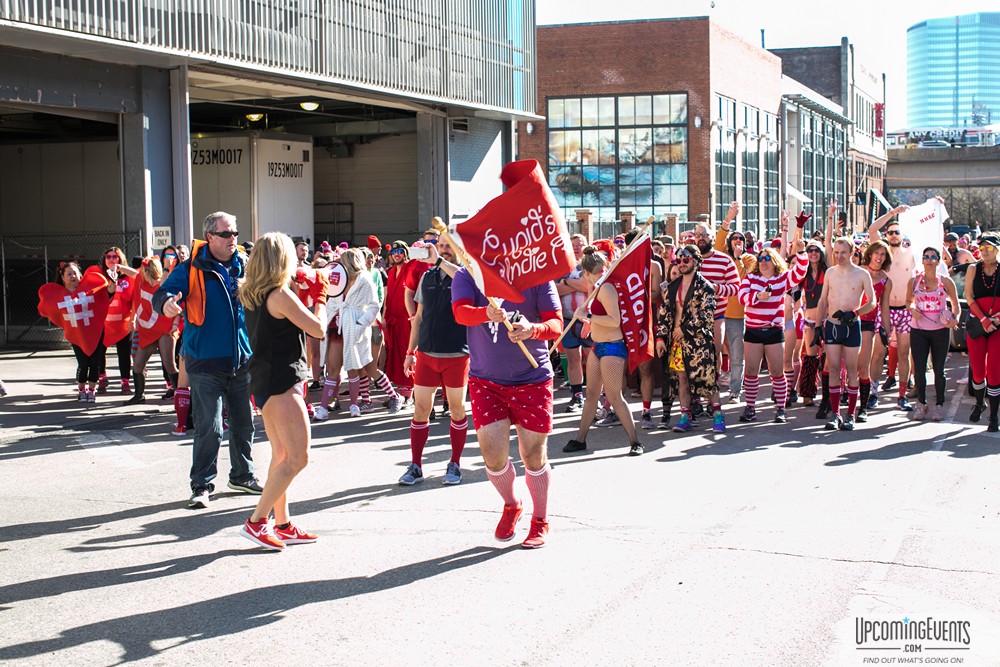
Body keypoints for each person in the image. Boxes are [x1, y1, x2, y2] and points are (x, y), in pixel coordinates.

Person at [451, 264, 562, 549]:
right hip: (485, 381)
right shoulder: (468, 274)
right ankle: (512, 504)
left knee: (533, 455)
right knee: (493, 457)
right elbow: (460, 312)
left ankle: (540, 520)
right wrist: (484, 313)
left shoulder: (537, 274)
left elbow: (556, 324)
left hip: (533, 379)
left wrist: (532, 329)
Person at [154, 212, 260, 509]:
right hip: (205, 362)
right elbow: (163, 293)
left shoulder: (244, 263)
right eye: (226, 234)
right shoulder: (190, 269)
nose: (233, 238)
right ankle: (201, 484)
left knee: (244, 424)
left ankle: (243, 475)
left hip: (240, 360)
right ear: (210, 237)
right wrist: (166, 305)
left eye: (235, 233)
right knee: (210, 428)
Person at [238, 232, 326, 550]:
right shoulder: (279, 294)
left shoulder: (252, 292)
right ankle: (257, 521)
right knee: (298, 458)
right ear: (282, 259)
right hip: (280, 383)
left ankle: (283, 524)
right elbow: (317, 328)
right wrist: (321, 299)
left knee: (282, 455)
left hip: (265, 382)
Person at [398, 238, 469, 484]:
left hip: (457, 355)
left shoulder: (465, 275)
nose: (445, 250)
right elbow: (418, 318)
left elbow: (462, 275)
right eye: (442, 246)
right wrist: (410, 352)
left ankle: (455, 464)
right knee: (420, 410)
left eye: (450, 246)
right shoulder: (427, 277)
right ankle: (416, 465)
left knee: (457, 410)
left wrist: (438, 260)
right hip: (427, 355)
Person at [563, 246, 643, 456]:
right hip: (598, 346)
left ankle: (635, 442)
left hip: (612, 347)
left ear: (586, 273)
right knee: (591, 395)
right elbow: (602, 316)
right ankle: (580, 439)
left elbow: (615, 320)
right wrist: (590, 322)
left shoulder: (605, 288)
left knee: (615, 397)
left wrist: (587, 318)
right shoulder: (597, 288)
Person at [655, 244, 725, 433]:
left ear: (695, 261)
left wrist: (685, 329)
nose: (682, 263)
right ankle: (685, 416)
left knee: (707, 380)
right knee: (682, 379)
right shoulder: (671, 287)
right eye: (679, 260)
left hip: (699, 342)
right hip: (677, 342)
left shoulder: (706, 287)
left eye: (686, 259)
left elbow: (707, 315)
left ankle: (718, 417)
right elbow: (664, 314)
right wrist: (661, 337)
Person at [736, 238, 808, 423]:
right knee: (751, 371)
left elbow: (800, 273)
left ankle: (781, 409)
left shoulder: (782, 278)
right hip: (753, 330)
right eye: (760, 258)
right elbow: (741, 298)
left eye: (767, 257)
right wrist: (757, 296)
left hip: (774, 330)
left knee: (777, 372)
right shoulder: (750, 278)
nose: (763, 261)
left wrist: (800, 252)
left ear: (774, 261)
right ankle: (750, 407)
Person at [815, 237, 877, 431]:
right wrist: (818, 326)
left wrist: (855, 313)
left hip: (851, 326)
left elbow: (872, 302)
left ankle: (850, 413)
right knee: (833, 369)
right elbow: (823, 300)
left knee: (852, 370)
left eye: (843, 252)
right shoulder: (831, 273)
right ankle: (835, 414)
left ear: (851, 253)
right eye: (836, 253)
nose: (839, 256)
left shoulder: (862, 274)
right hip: (832, 325)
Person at [334, 248, 403, 417]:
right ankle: (367, 401)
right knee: (359, 366)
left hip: (368, 328)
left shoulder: (365, 279)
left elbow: (374, 305)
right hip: (352, 326)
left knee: (369, 366)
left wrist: (360, 323)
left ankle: (395, 396)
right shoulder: (347, 280)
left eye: (343, 261)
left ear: (350, 262)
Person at [905, 248, 960, 421]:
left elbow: (956, 304)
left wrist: (955, 319)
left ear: (938, 261)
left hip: (940, 331)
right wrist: (912, 309)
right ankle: (922, 404)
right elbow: (908, 302)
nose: (929, 260)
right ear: (922, 261)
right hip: (919, 330)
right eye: (926, 257)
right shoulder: (914, 281)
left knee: (939, 370)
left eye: (933, 257)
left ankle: (939, 406)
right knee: (919, 369)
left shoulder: (946, 281)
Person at [869, 208, 915, 411]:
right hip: (884, 309)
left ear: (903, 234)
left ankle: (902, 394)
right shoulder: (882, 255)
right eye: (890, 232)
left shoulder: (911, 254)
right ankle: (873, 392)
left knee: (904, 354)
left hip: (905, 310)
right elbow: (872, 229)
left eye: (897, 232)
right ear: (887, 235)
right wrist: (892, 213)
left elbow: (933, 236)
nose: (894, 235)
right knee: (878, 353)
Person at [693, 207, 741, 376]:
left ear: (712, 237)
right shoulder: (688, 259)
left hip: (717, 315)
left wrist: (716, 288)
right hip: (691, 316)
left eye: (704, 235)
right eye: (698, 235)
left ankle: (713, 388)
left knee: (714, 352)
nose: (701, 239)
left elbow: (736, 287)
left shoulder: (724, 260)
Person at [715, 209, 756, 401]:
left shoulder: (749, 259)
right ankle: (710, 392)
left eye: (741, 238)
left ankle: (735, 391)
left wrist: (738, 259)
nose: (738, 240)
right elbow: (717, 240)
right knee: (715, 354)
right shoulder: (721, 256)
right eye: (735, 238)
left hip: (737, 317)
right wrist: (728, 219)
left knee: (737, 356)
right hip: (718, 314)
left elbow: (741, 281)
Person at [128, 257, 178, 404]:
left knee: (169, 364)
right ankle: (139, 395)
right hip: (147, 329)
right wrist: (118, 267)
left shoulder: (164, 283)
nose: (140, 271)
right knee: (138, 364)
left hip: (164, 328)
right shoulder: (140, 281)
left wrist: (167, 268)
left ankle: (181, 393)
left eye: (144, 269)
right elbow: (132, 273)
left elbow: (162, 286)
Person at [555, 233, 590, 413]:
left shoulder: (590, 264)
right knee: (573, 359)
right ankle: (577, 396)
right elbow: (555, 290)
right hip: (569, 320)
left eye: (580, 244)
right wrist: (577, 283)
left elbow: (588, 287)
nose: (577, 247)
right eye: (574, 244)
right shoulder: (562, 265)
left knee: (591, 360)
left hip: (589, 320)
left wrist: (567, 282)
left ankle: (593, 397)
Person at [97, 246, 139, 395]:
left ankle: (125, 382)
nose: (111, 260)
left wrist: (132, 319)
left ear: (120, 259)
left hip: (123, 323)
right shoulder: (99, 276)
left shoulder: (128, 278)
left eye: (115, 257)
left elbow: (139, 278)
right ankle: (102, 378)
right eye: (108, 257)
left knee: (124, 353)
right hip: (103, 322)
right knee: (99, 352)